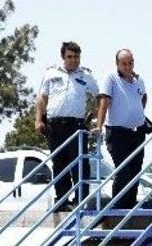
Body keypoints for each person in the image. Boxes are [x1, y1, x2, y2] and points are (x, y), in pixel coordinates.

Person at [35, 41, 99, 211]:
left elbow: (100, 96)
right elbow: (42, 98)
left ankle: (81, 200)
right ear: (63, 57)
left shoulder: (86, 75)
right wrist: (38, 120)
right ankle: (62, 200)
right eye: (69, 57)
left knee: (80, 163)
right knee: (59, 163)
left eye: (76, 57)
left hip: (76, 126)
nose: (73, 60)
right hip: (55, 125)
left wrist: (96, 115)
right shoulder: (51, 73)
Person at [96, 48, 151, 209]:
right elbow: (104, 102)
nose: (128, 67)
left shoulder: (139, 80)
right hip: (117, 132)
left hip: (137, 132)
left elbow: (143, 98)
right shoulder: (111, 78)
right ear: (117, 64)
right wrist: (99, 125)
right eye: (124, 64)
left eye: (130, 63)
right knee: (123, 170)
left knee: (135, 170)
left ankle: (130, 207)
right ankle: (118, 208)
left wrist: (138, 114)